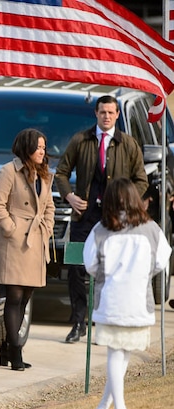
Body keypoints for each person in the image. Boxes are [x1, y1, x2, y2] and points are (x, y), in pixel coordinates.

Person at [55, 95, 148, 343]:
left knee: (112, 269)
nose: (106, 116)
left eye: (111, 112)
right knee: (77, 269)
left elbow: (142, 180)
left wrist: (125, 203)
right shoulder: (81, 140)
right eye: (102, 112)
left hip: (115, 219)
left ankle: (105, 322)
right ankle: (78, 322)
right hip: (84, 216)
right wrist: (70, 196)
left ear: (117, 115)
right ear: (96, 114)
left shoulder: (128, 144)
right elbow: (61, 172)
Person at [83, 178, 171, 409]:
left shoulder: (100, 230)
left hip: (110, 299)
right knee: (123, 352)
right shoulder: (151, 228)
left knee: (115, 352)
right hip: (138, 300)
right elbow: (162, 261)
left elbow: (90, 263)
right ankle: (105, 407)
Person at [0, 128, 55, 370]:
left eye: (44, 147)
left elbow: (49, 207)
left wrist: (47, 228)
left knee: (26, 297)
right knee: (14, 297)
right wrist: (11, 228)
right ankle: (16, 352)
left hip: (36, 241)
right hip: (14, 243)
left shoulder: (45, 175)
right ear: (26, 147)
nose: (42, 151)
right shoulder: (8, 171)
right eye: (38, 147)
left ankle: (6, 347)